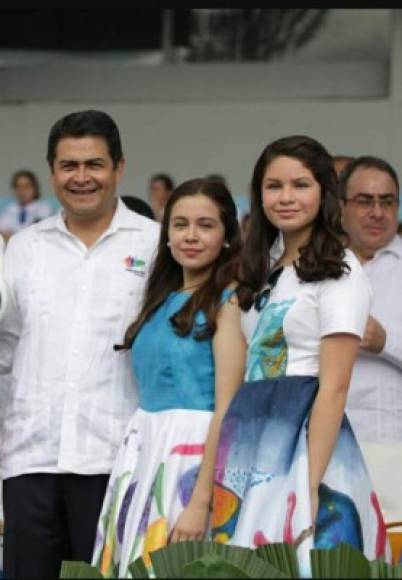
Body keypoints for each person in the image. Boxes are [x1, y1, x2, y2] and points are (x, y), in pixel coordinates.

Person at [210, 136, 391, 576]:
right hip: (250, 439)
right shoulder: (265, 271)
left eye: (300, 185)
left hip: (306, 443)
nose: (286, 197)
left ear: (324, 193)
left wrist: (306, 486)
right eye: (274, 186)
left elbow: (335, 385)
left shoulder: (340, 270)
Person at [0, 110, 160, 580]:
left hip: (114, 461)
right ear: (52, 171)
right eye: (69, 166)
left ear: (119, 168)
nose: (81, 177)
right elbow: (6, 348)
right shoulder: (25, 247)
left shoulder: (155, 245)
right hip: (30, 458)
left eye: (94, 164)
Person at [92, 178, 246, 577]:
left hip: (192, 460)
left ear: (228, 236)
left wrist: (201, 500)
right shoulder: (158, 298)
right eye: (179, 225)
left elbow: (228, 406)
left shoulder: (228, 303)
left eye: (205, 225)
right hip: (144, 452)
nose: (190, 236)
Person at [340, 156, 402, 524]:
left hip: (395, 444)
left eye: (388, 201)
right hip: (330, 450)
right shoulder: (318, 269)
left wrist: (385, 342)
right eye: (365, 201)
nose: (377, 212)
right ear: (341, 206)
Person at [0, 170, 54, 240]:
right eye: (18, 187)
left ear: (35, 188)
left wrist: (13, 237)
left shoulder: (43, 208)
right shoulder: (10, 208)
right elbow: (2, 232)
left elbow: (36, 232)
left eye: (26, 186)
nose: (22, 191)